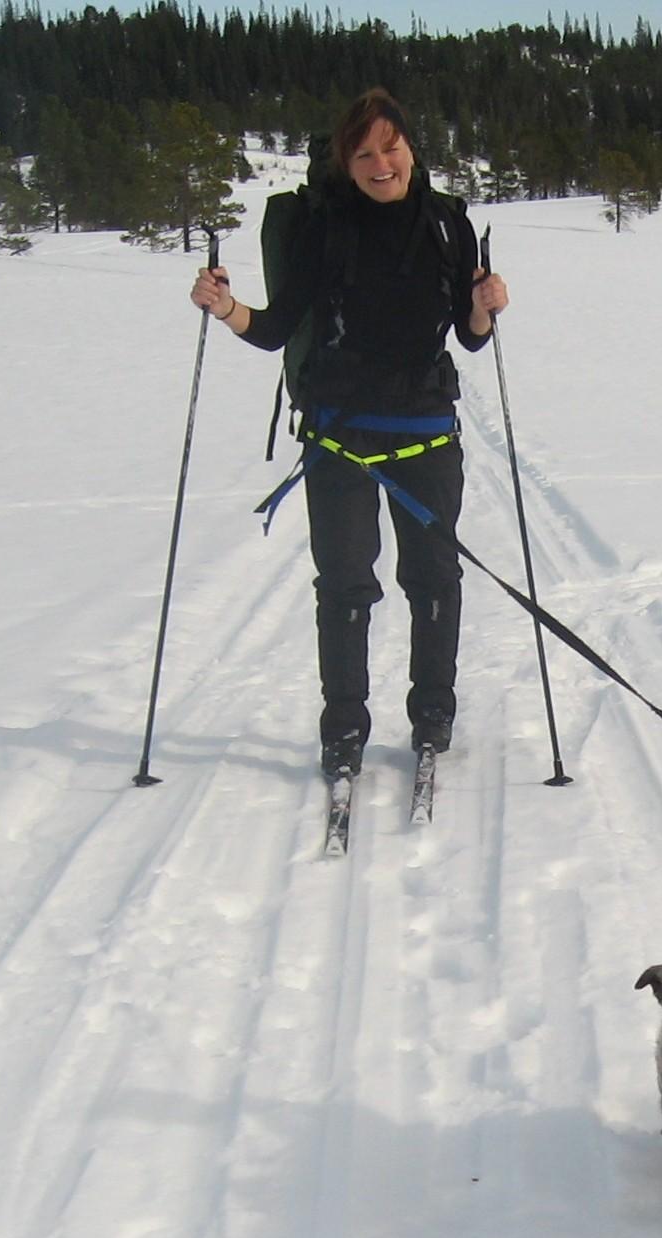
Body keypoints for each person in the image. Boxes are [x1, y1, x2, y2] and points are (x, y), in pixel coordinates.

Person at [190, 88, 510, 780]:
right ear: (345, 161)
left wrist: (486, 309)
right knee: (343, 585)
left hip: (425, 430)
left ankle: (433, 715)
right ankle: (344, 727)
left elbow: (469, 337)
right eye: (362, 153)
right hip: (339, 435)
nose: (379, 163)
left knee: (432, 579)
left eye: (389, 147)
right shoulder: (322, 227)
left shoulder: (447, 224)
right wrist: (226, 308)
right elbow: (276, 329)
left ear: (411, 149)